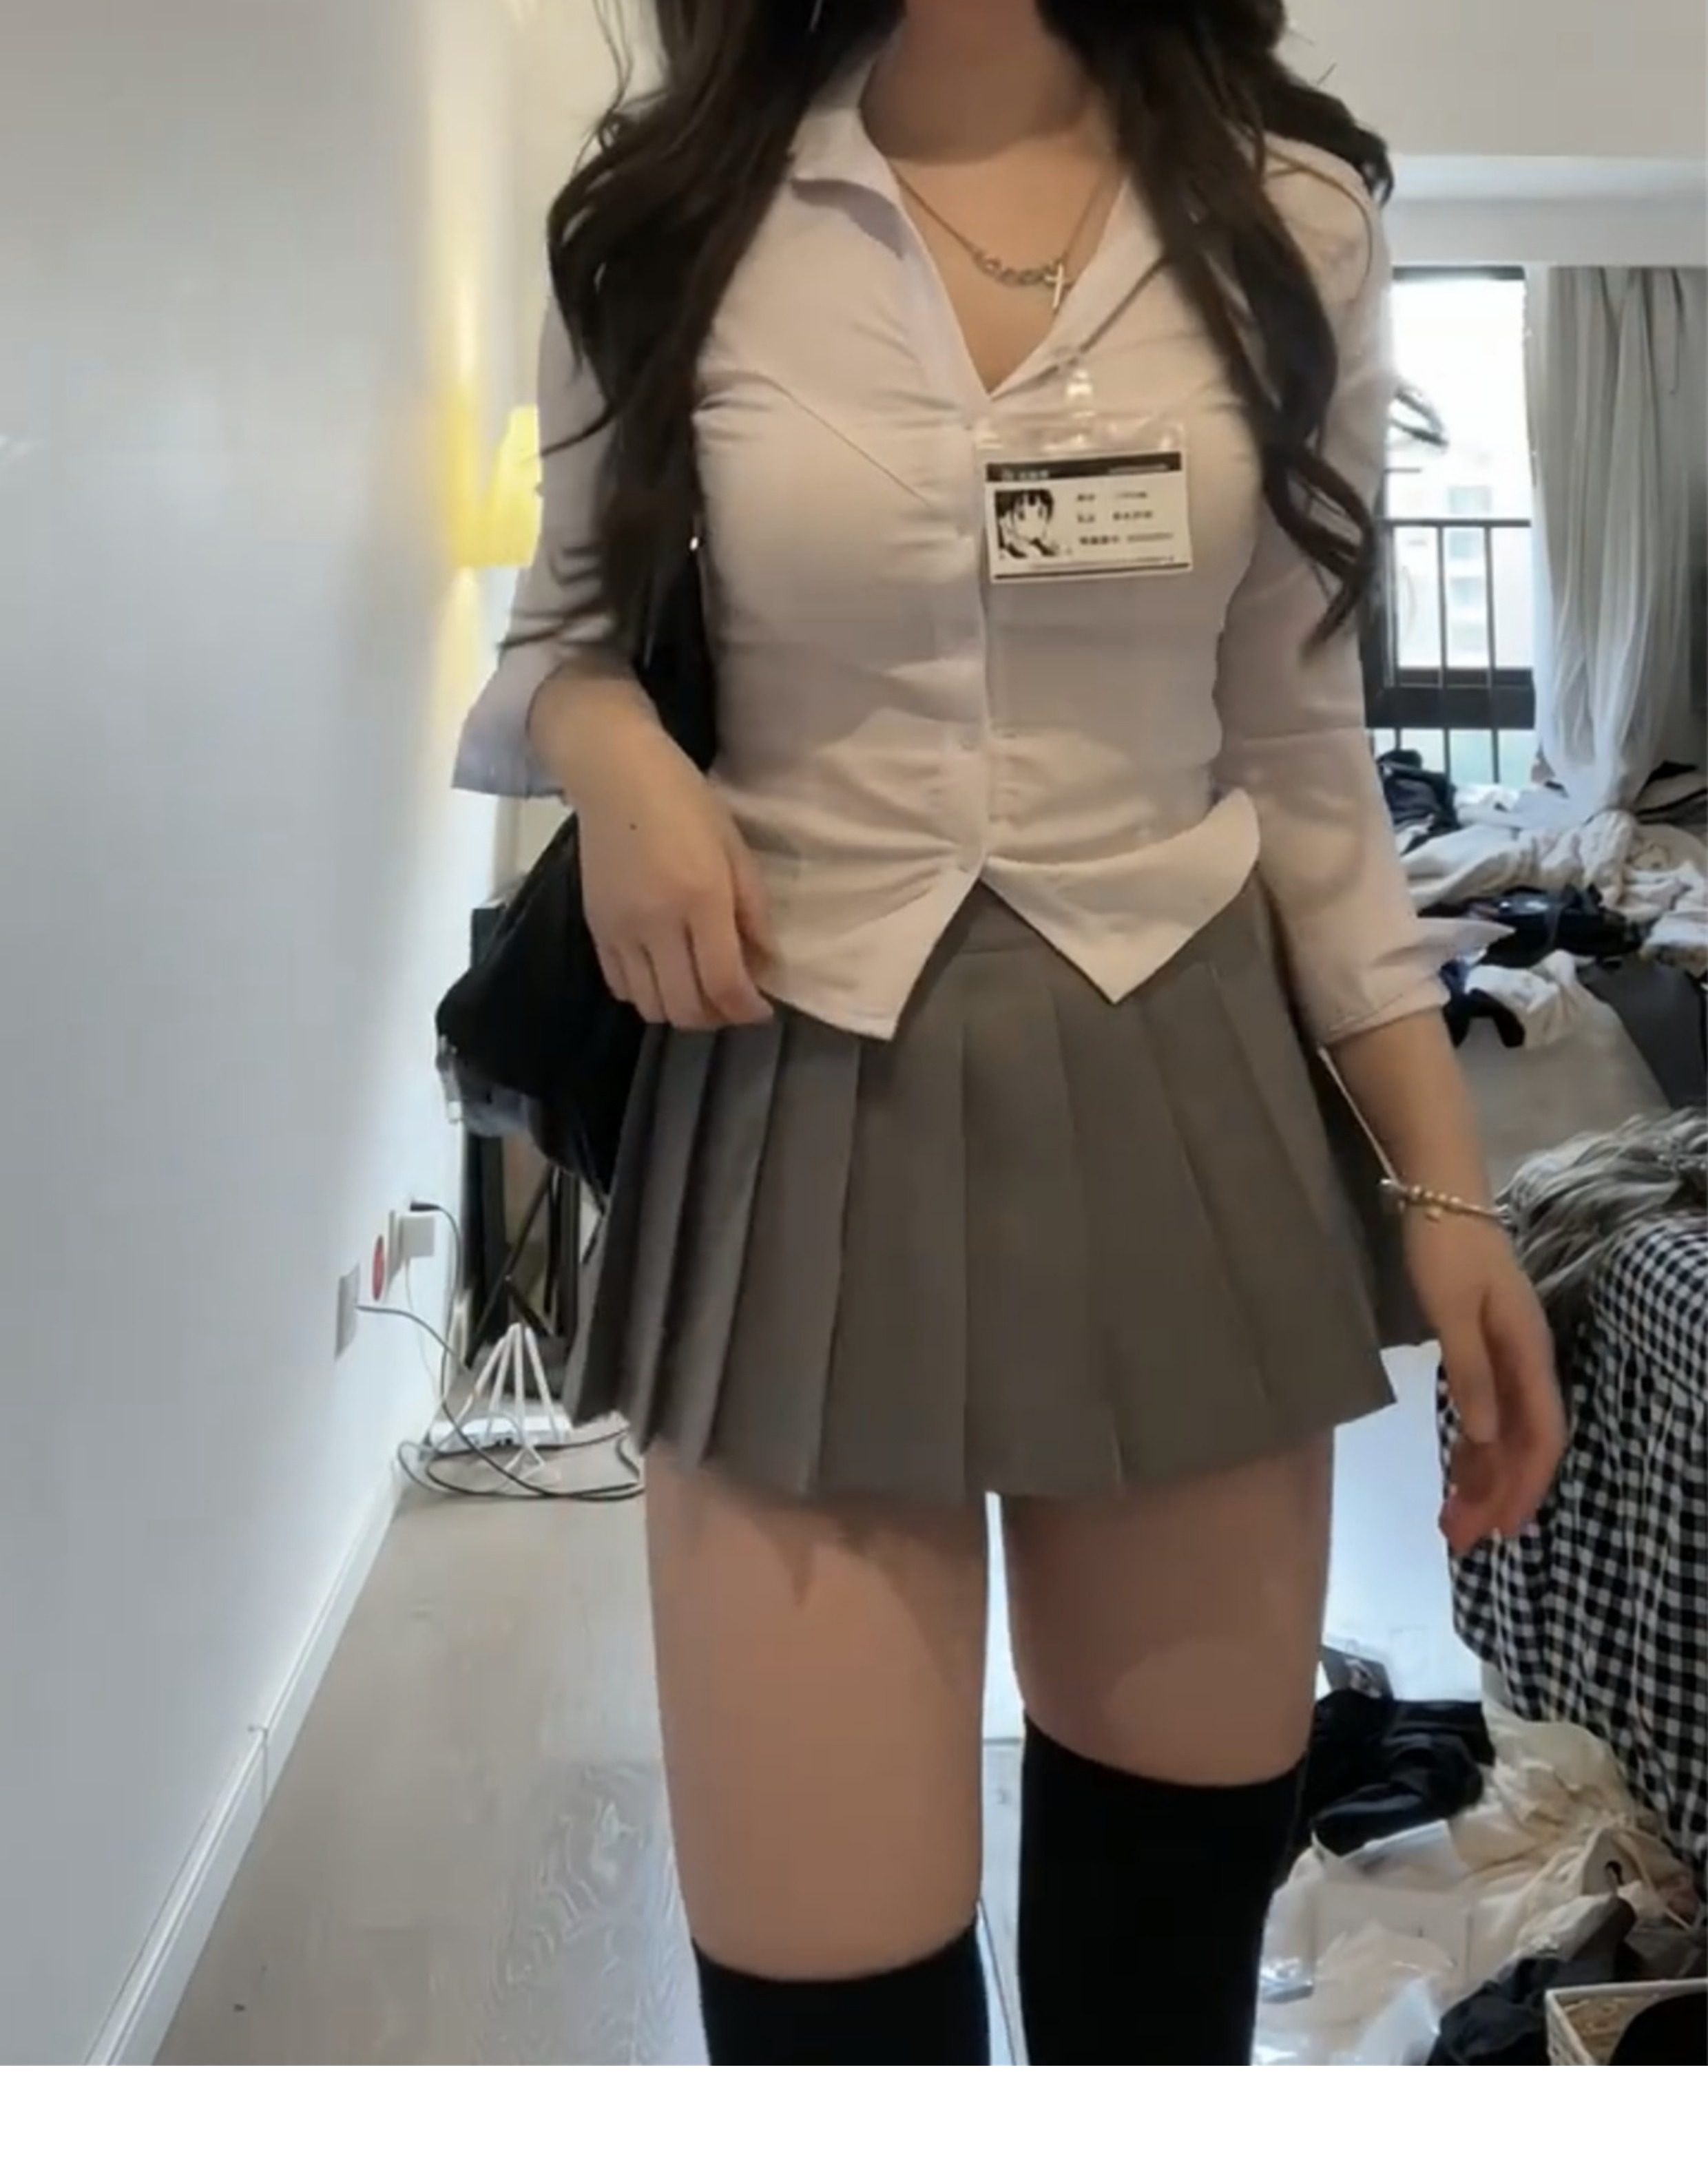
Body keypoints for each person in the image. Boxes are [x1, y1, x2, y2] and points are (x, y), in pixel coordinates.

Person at [454, 0, 1566, 2066]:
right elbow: (557, 650)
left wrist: (1448, 1191)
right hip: (791, 1091)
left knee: (1159, 1984)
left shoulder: (1290, 213)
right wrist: (620, 763)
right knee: (827, 2018)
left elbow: (1303, 756)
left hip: (1184, 1097)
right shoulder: (669, 214)